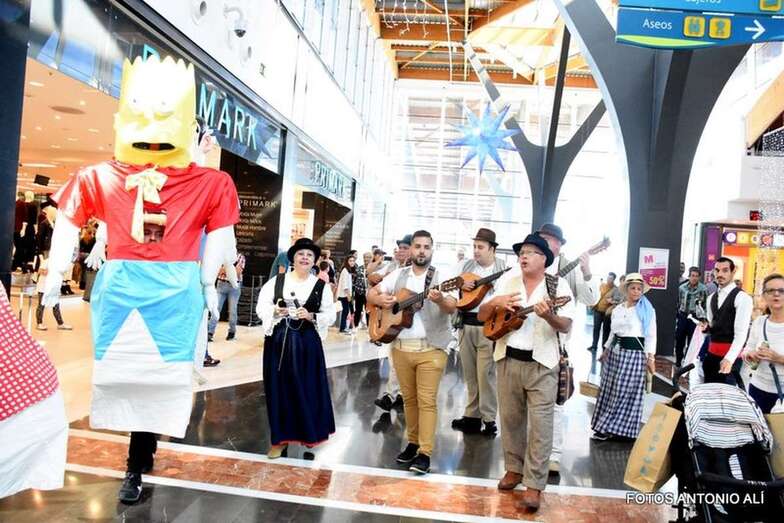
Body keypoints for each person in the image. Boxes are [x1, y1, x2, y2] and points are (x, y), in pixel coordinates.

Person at [44, 56, 240, 504]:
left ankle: (137, 458)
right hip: (126, 287)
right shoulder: (103, 175)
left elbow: (221, 236)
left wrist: (208, 283)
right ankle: (138, 454)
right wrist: (55, 273)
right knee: (129, 372)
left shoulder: (210, 183)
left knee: (163, 376)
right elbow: (70, 218)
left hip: (175, 289)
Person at [478, 233, 574, 511]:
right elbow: (483, 316)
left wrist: (547, 315)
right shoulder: (507, 281)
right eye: (522, 252)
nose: (524, 256)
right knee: (510, 420)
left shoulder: (558, 285)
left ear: (544, 259)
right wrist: (496, 303)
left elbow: (566, 325)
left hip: (543, 364)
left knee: (541, 427)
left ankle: (534, 485)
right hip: (507, 359)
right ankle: (513, 469)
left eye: (531, 252)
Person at [367, 230, 457, 475]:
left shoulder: (443, 276)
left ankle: (425, 453)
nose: (421, 251)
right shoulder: (399, 274)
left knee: (427, 401)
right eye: (417, 246)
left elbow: (452, 306)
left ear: (432, 250)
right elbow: (371, 293)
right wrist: (381, 301)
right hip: (401, 348)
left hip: (432, 348)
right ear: (412, 249)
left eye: (426, 247)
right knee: (409, 400)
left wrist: (439, 300)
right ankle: (413, 443)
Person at [256, 238, 336, 458]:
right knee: (278, 391)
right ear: (293, 258)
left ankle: (307, 434)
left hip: (307, 345)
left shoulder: (321, 286)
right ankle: (279, 440)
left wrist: (312, 316)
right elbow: (261, 307)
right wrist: (275, 311)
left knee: (307, 389)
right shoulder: (277, 282)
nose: (305, 258)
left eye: (309, 255)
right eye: (301, 254)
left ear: (314, 261)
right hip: (279, 345)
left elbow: (330, 315)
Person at [537, 223, 599, 473]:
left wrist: (586, 272)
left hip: (557, 346)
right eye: (540, 238)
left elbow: (591, 299)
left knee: (555, 404)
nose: (543, 243)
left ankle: (553, 454)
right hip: (527, 343)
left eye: (549, 240)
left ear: (560, 245)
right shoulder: (531, 261)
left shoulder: (569, 269)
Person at [451, 228, 505, 437]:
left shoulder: (504, 269)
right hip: (466, 325)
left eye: (480, 247)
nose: (476, 251)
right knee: (470, 375)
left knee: (486, 375)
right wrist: (460, 282)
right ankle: (471, 416)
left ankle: (489, 420)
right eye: (474, 246)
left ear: (492, 249)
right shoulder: (466, 266)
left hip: (488, 328)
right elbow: (448, 280)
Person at [591, 273, 657, 441]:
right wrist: (605, 350)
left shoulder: (647, 310)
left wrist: (651, 358)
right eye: (633, 288)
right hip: (615, 354)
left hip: (634, 355)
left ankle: (617, 428)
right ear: (626, 290)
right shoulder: (618, 309)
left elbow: (651, 335)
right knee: (610, 389)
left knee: (625, 391)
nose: (636, 292)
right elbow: (614, 332)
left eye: (639, 289)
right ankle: (607, 427)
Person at [373, 235, 413, 412]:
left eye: (405, 248)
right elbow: (373, 278)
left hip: (410, 324)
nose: (401, 251)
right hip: (393, 320)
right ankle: (394, 395)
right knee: (394, 360)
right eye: (400, 248)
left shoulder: (417, 271)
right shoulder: (393, 267)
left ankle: (395, 395)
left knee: (401, 363)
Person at [701, 257, 753, 386]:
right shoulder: (711, 298)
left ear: (733, 271)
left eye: (725, 270)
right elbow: (713, 325)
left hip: (731, 358)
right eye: (717, 270)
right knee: (709, 397)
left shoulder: (742, 298)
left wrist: (729, 359)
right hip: (711, 355)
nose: (720, 274)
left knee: (726, 400)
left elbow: (741, 334)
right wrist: (706, 328)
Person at [743, 273, 784, 414]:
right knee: (758, 433)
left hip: (782, 394)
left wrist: (779, 358)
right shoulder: (760, 322)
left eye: (781, 291)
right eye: (771, 291)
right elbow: (747, 349)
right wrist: (751, 355)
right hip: (757, 389)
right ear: (764, 296)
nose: (776, 294)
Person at [207, 253, 245, 343]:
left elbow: (238, 273)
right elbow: (218, 271)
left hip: (234, 287)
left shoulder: (240, 257)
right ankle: (210, 332)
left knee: (232, 310)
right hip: (221, 285)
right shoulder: (221, 256)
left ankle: (232, 332)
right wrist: (231, 269)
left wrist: (226, 269)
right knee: (216, 309)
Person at [675, 267, 708, 367]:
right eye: (692, 276)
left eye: (696, 276)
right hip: (683, 315)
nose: (694, 278)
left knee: (692, 340)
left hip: (695, 317)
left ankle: (688, 361)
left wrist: (703, 319)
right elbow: (678, 301)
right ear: (689, 276)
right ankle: (678, 359)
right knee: (679, 338)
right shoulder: (682, 288)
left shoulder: (703, 289)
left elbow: (705, 305)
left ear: (699, 277)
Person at [588, 272, 618, 352]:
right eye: (608, 278)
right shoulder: (602, 285)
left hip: (607, 313)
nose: (608, 280)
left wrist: (612, 301)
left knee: (606, 330)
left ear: (614, 279)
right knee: (596, 329)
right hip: (597, 310)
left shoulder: (615, 289)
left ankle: (604, 348)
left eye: (610, 278)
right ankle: (594, 346)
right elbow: (596, 295)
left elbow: (617, 301)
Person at [337, 254, 356, 334]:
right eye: (350, 261)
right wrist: (348, 296)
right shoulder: (345, 271)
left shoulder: (348, 270)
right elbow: (345, 285)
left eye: (353, 261)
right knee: (345, 311)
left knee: (345, 311)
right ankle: (342, 328)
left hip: (345, 295)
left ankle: (343, 327)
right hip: (344, 295)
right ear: (347, 262)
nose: (352, 262)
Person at [354, 252, 371, 328]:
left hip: (369, 294)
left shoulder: (373, 269)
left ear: (371, 258)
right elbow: (355, 280)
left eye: (368, 257)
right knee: (358, 311)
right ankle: (355, 326)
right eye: (365, 257)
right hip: (359, 293)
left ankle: (369, 327)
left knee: (368, 311)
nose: (366, 259)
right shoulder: (359, 268)